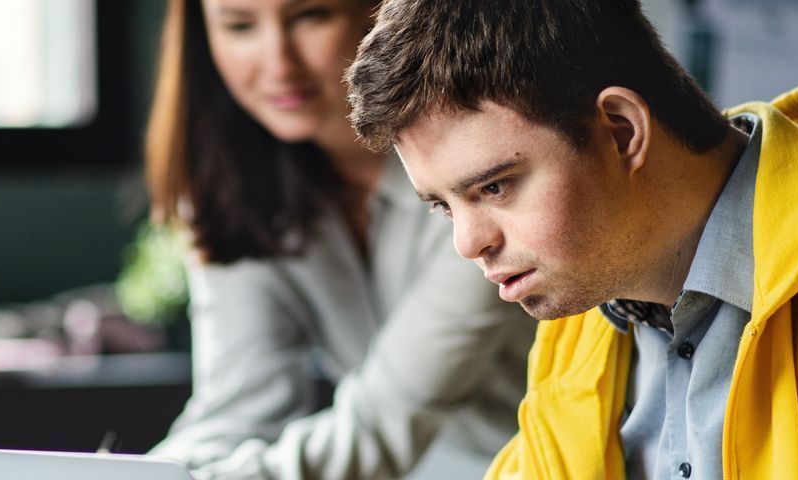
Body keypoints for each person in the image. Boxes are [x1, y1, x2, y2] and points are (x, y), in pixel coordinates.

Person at [345, 0, 798, 478]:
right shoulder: (583, 321)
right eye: (442, 204)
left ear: (622, 132)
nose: (468, 242)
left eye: (494, 187)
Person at [142, 0, 536, 478]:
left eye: (311, 16)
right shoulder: (230, 188)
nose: (278, 64)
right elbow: (237, 408)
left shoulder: (479, 165)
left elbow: (388, 418)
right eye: (240, 25)